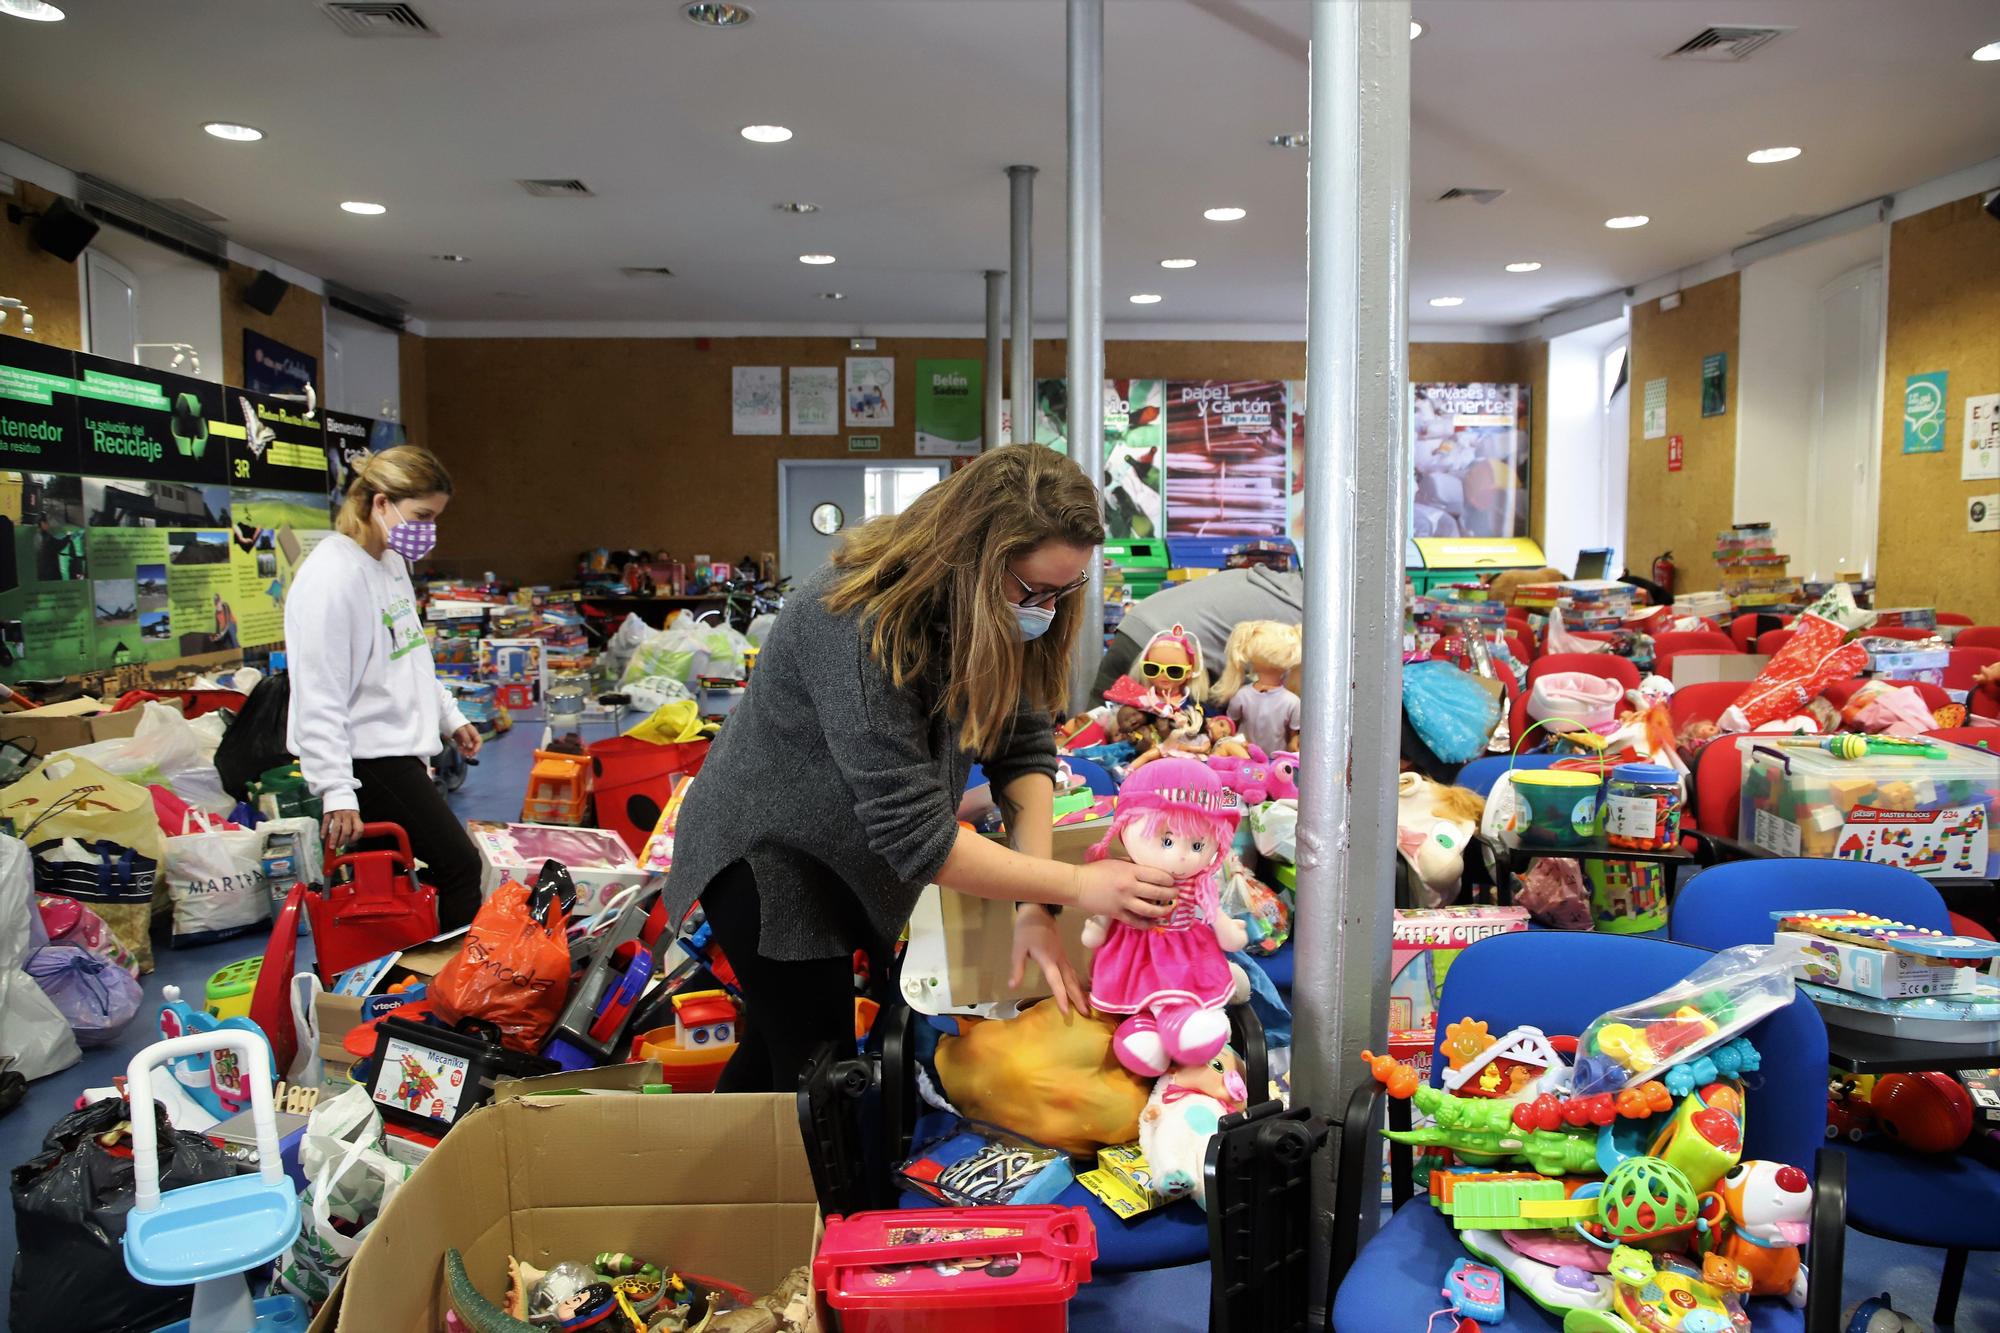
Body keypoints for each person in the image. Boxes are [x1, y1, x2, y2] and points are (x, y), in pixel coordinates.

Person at [665, 445, 1179, 1092]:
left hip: (842, 848)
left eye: (1064, 589)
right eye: (1034, 590)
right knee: (815, 1074)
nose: (1047, 608)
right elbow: (918, 838)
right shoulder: (854, 620)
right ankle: (790, 1191)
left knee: (785, 1047)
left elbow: (1019, 747)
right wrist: (1078, 886)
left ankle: (736, 1172)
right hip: (768, 858)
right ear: (973, 558)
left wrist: (1035, 904)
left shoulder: (995, 612)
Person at [285, 445, 485, 930]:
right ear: (379, 503)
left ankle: (393, 986)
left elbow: (410, 658)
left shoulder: (391, 563)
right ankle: (462, 993)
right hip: (367, 761)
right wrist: (336, 790)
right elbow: (318, 693)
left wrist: (448, 715)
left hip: (397, 750)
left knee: (387, 889)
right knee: (460, 866)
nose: (427, 530)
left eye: (435, 518)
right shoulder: (332, 578)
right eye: (421, 515)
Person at [1093, 564, 1304, 698]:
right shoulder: (1303, 618)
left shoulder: (1276, 584)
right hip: (1164, 651)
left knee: (1093, 729)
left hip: (1138, 624)